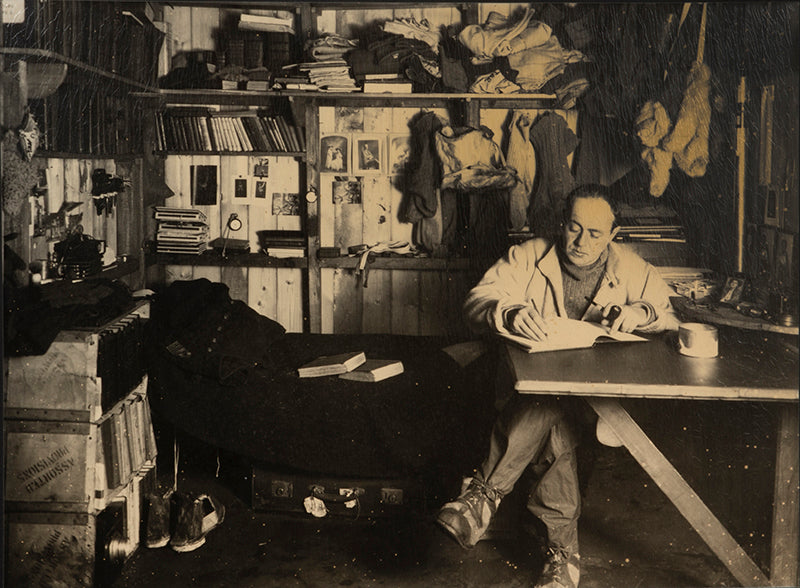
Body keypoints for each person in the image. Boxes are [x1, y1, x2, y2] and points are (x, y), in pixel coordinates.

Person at [436, 184, 680, 588]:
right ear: (561, 222)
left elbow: (669, 313)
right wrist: (508, 310)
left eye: (596, 234)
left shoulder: (631, 266)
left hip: (599, 401)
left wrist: (641, 311)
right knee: (554, 424)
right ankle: (562, 558)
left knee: (551, 409)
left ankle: (483, 495)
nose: (581, 242)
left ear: (614, 235)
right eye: (573, 227)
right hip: (535, 393)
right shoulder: (529, 255)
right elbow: (477, 299)